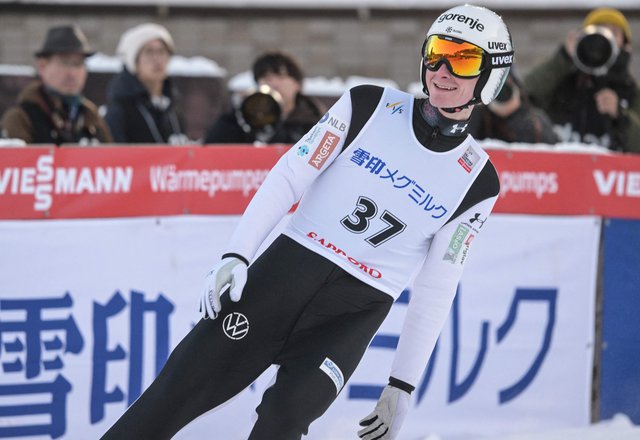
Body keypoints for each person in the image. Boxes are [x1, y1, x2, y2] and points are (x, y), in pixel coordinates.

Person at [101, 4, 510, 439]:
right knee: (172, 394)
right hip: (284, 275)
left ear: (491, 77)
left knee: (285, 420)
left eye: (463, 59)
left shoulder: (478, 182)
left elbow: (437, 286)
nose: (443, 69)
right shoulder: (368, 105)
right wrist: (237, 253)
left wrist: (402, 383)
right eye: (436, 52)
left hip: (351, 314)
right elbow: (291, 174)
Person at [523, 7, 640, 153]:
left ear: (625, 44)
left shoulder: (633, 92)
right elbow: (526, 94)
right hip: (560, 168)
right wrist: (563, 57)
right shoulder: (564, 81)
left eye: (614, 33)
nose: (606, 36)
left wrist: (619, 114)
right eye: (600, 30)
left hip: (608, 173)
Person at [0, 25, 112, 145]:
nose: (72, 73)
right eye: (64, 63)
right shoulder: (21, 118)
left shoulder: (92, 117)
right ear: (42, 66)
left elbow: (112, 161)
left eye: (78, 64)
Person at [204, 50, 324, 145]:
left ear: (297, 84)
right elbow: (213, 148)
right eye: (267, 77)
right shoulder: (243, 119)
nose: (273, 84)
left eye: (280, 77)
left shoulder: (315, 121)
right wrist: (239, 114)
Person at [104, 23, 188, 144]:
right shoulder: (120, 111)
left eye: (162, 52)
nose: (157, 59)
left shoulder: (173, 110)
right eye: (149, 52)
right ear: (134, 61)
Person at [469, 68, 559, 144]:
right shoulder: (480, 117)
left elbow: (555, 154)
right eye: (495, 88)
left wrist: (517, 115)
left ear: (517, 88)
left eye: (505, 85)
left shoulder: (536, 122)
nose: (501, 92)